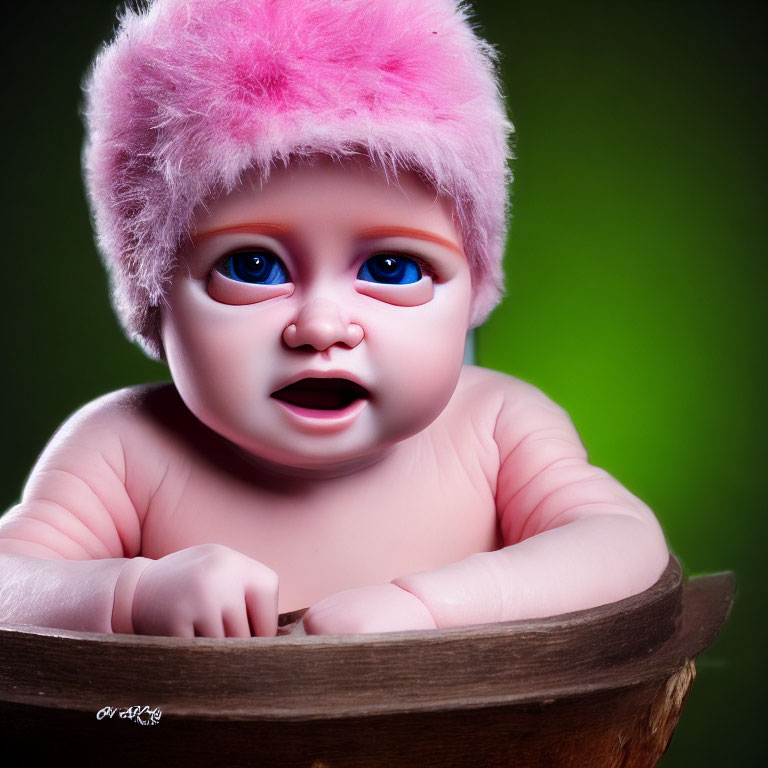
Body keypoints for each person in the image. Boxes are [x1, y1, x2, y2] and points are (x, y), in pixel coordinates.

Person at [0, 0, 668, 637]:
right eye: (253, 268)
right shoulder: (124, 451)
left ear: (471, 294)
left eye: (392, 271)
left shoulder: (494, 429)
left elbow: (622, 542)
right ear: (156, 297)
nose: (322, 328)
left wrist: (434, 607)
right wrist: (129, 596)